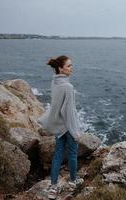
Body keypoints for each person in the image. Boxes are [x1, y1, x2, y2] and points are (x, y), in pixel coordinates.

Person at [37, 55, 84, 199]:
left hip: (58, 125)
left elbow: (57, 107)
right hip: (67, 126)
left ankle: (53, 187)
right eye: (69, 66)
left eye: (71, 65)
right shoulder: (68, 87)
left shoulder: (55, 81)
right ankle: (73, 181)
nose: (72, 68)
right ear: (60, 68)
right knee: (72, 154)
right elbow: (68, 112)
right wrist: (75, 132)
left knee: (57, 155)